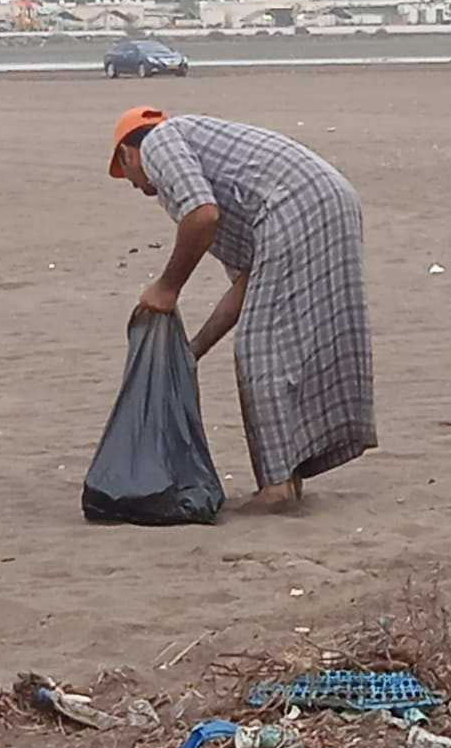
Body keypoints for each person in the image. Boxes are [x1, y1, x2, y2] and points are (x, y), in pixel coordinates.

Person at [109, 106, 376, 513]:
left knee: (260, 348)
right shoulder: (203, 160)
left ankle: (276, 487)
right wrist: (194, 349)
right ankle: (290, 476)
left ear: (127, 153)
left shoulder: (159, 141)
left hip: (299, 206)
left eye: (127, 175)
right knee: (288, 342)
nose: (136, 186)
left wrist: (167, 287)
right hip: (329, 200)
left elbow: (202, 216)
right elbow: (249, 282)